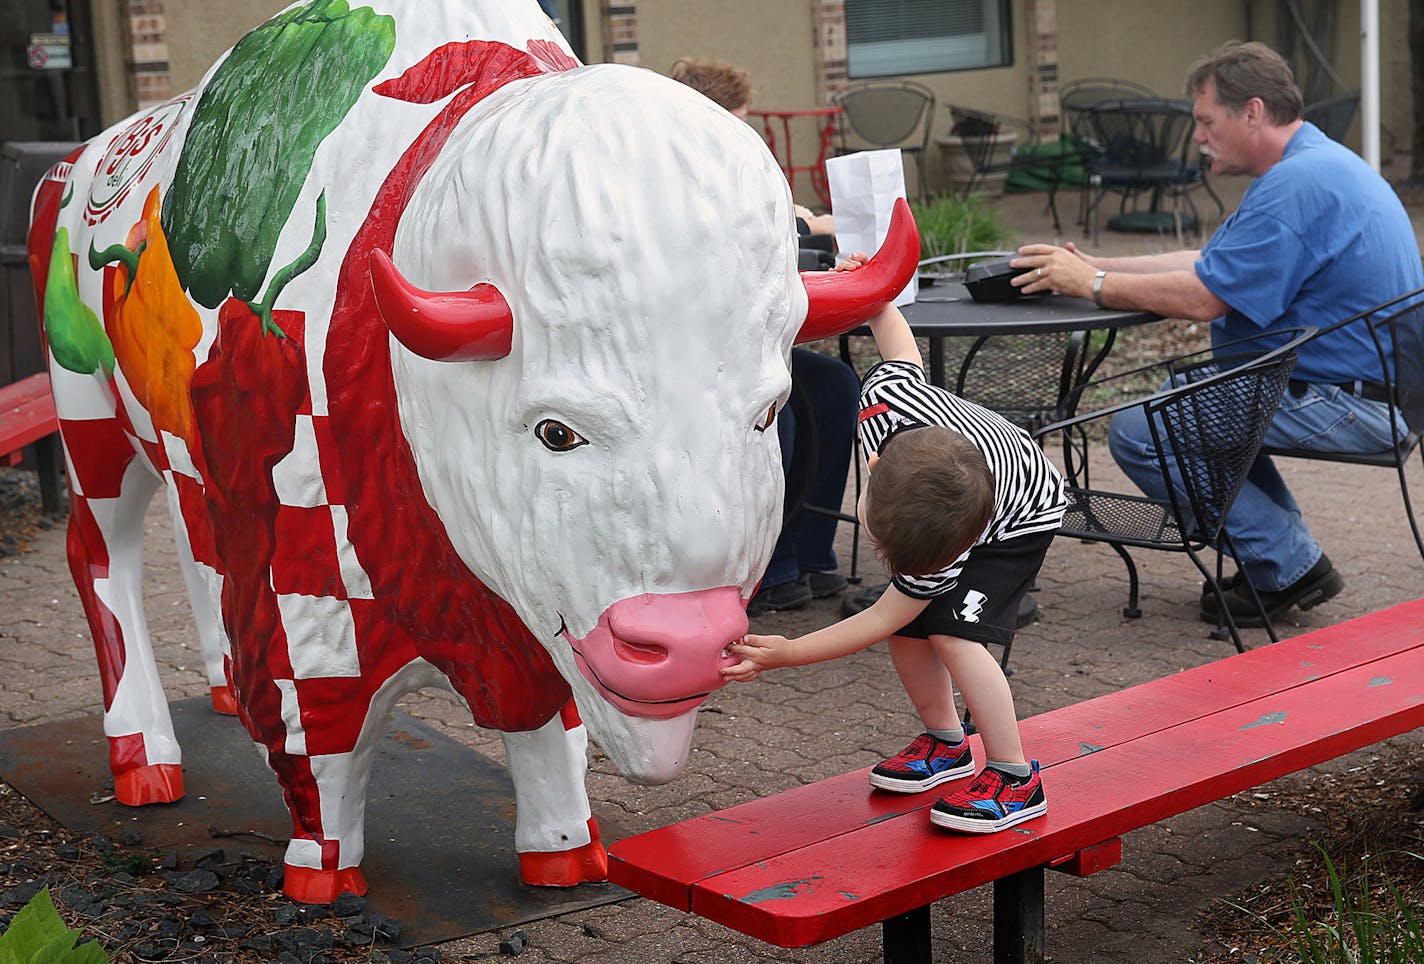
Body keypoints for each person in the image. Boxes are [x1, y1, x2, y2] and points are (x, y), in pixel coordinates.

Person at [1010, 41, 1424, 628]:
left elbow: (1204, 298)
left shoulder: (1295, 186)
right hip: (1365, 393)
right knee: (1208, 410)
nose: (1199, 137)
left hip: (1348, 404)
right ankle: (1280, 561)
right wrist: (1097, 265)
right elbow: (1208, 262)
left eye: (1206, 121)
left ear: (1252, 112)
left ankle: (1285, 563)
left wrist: (1094, 282)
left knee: (1142, 432)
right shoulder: (1315, 164)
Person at [723, 262, 1066, 834]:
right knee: (915, 629)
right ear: (874, 465)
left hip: (1024, 511)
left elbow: (879, 618)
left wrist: (789, 652)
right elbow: (895, 336)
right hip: (971, 481)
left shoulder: (945, 539)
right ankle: (945, 743)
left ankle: (1015, 777)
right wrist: (872, 288)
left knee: (953, 634)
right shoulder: (886, 401)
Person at [670, 57, 854, 613]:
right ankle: (766, 567)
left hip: (742, 339)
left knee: (836, 387)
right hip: (687, 350)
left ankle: (812, 551)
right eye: (739, 122)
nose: (747, 136)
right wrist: (807, 227)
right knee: (780, 410)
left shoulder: (733, 171)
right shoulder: (671, 179)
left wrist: (804, 223)